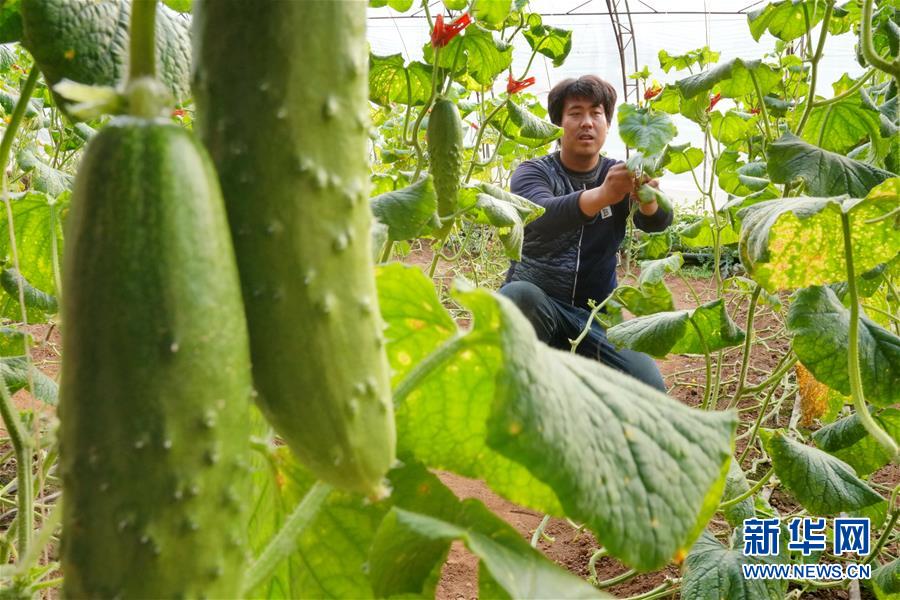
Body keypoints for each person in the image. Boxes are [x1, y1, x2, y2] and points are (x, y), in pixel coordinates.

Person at [499, 75, 673, 392]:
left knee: (650, 391)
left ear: (607, 124)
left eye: (596, 113)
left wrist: (648, 199)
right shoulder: (533, 172)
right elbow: (541, 215)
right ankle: (521, 387)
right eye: (575, 113)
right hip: (541, 308)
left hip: (597, 318)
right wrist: (604, 195)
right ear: (558, 124)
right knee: (518, 296)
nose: (587, 123)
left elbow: (658, 222)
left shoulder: (616, 172)